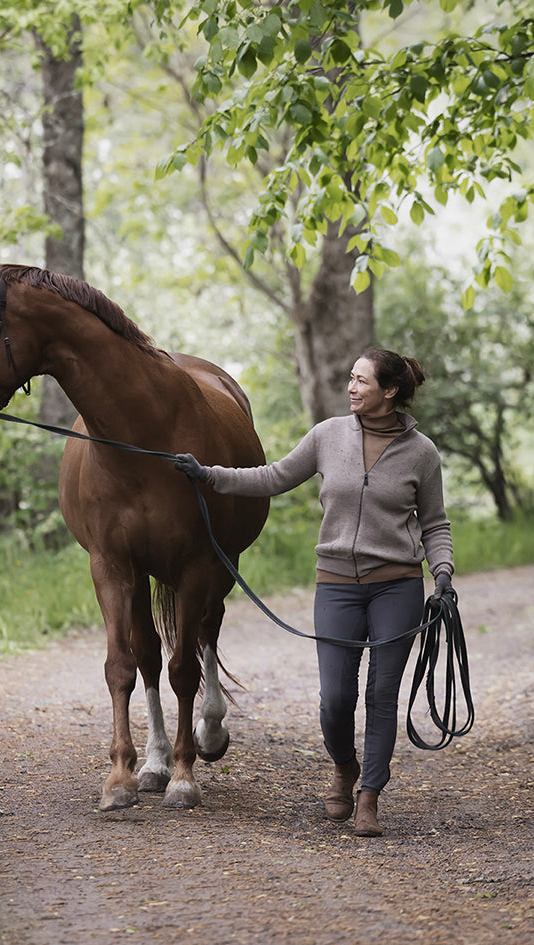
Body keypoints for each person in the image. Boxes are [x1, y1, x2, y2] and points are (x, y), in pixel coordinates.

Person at [173, 348, 455, 837]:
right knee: (335, 699)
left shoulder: (421, 453)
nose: (351, 387)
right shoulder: (328, 436)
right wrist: (209, 475)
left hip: (398, 586)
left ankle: (369, 795)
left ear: (389, 391)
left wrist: (444, 572)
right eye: (351, 378)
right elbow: (274, 476)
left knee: (382, 694)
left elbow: (434, 523)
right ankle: (344, 766)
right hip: (337, 584)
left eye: (361, 381)